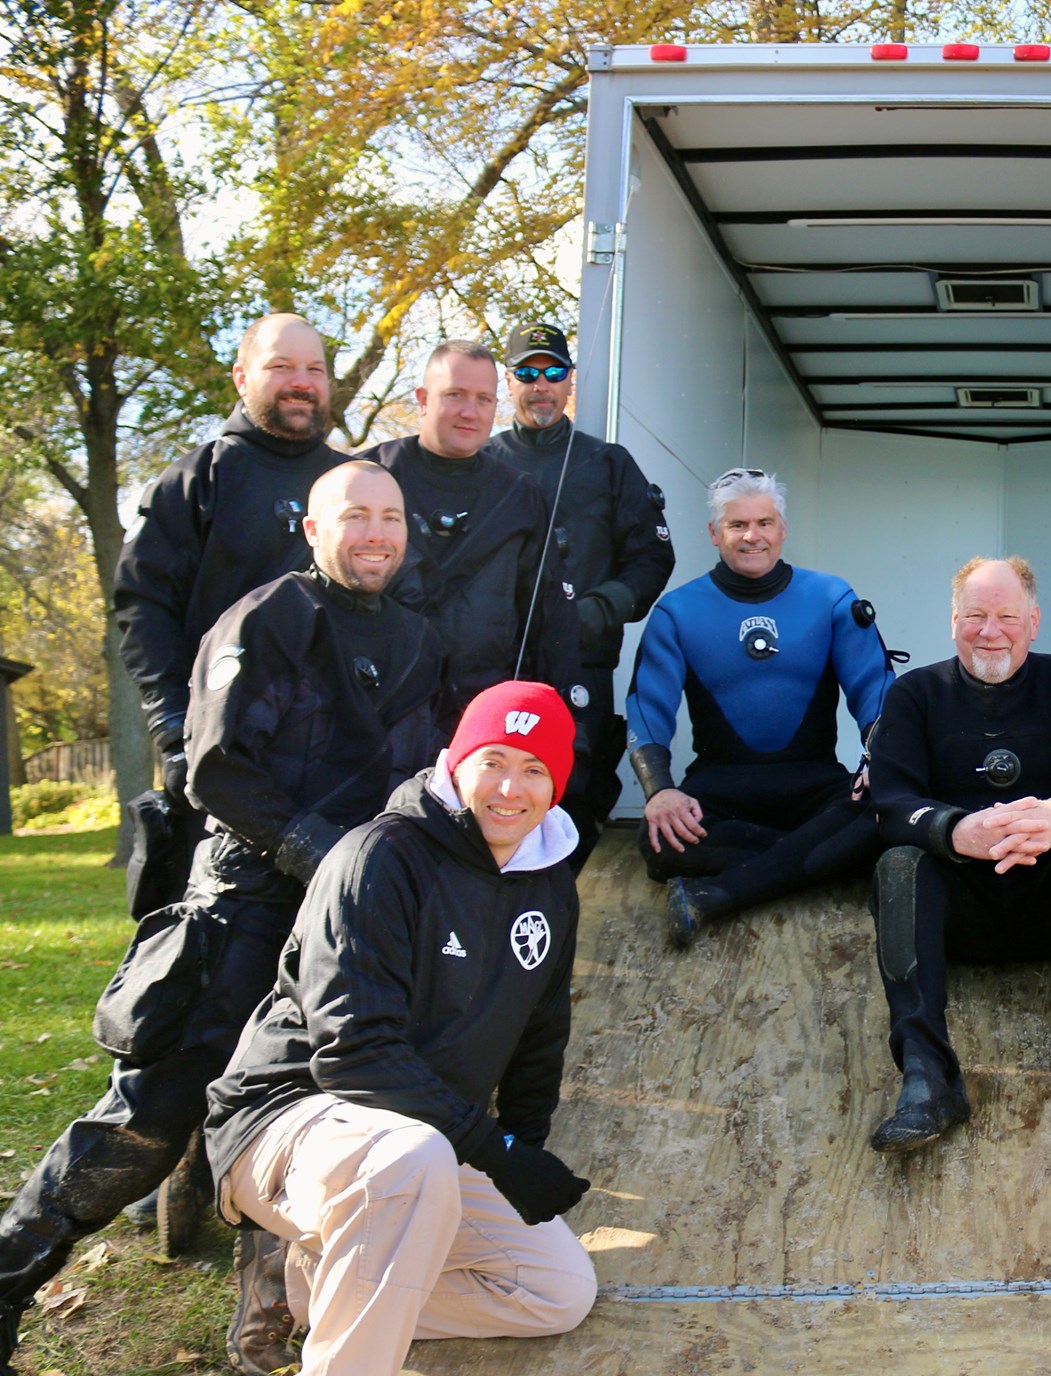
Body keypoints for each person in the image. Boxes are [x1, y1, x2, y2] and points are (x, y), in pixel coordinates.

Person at [0, 462, 446, 1376]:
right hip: (246, 904)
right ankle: (11, 1276)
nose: (375, 532)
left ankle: (268, 1314)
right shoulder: (265, 618)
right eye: (354, 515)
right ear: (313, 530)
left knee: (319, 1106)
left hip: (347, 920)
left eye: (390, 517)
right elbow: (216, 770)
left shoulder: (418, 638)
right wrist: (318, 849)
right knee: (153, 1113)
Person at [205, 682, 596, 1376]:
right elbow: (352, 1053)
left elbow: (541, 1038)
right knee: (407, 1161)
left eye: (534, 769)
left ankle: (312, 1284)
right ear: (456, 764)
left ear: (556, 783)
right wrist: (496, 1148)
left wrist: (522, 1152)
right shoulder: (379, 858)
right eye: (493, 761)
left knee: (556, 1289)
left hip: (420, 1147)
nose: (510, 788)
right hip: (287, 1124)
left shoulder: (549, 883)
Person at [863, 555, 1051, 1153]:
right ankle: (928, 1077)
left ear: (1033, 621)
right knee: (897, 863)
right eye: (975, 615)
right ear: (953, 621)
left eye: (1007, 615)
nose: (990, 630)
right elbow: (890, 801)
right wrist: (956, 830)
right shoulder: (913, 695)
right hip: (963, 911)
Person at [113, 313, 351, 914]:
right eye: (281, 366)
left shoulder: (357, 485)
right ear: (242, 377)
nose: (301, 382)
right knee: (219, 961)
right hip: (223, 761)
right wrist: (173, 734)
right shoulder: (192, 483)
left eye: (314, 370)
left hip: (339, 765)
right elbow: (144, 611)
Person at [626, 468, 896, 945]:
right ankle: (824, 862)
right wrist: (659, 790)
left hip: (813, 784)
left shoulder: (830, 598)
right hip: (720, 785)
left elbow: (874, 689)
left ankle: (715, 895)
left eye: (765, 523)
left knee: (882, 814)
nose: (753, 536)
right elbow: (649, 706)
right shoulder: (677, 611)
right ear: (714, 534)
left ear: (783, 529)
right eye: (737, 525)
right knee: (659, 843)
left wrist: (882, 761)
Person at [483, 322, 675, 871]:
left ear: (570, 382)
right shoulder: (481, 464)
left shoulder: (609, 463)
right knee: (492, 795)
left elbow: (653, 557)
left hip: (581, 667)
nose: (539, 384)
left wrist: (595, 612)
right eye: (526, 372)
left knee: (574, 793)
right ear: (509, 381)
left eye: (552, 372)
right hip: (493, 668)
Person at [366, 340, 582, 735]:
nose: (470, 411)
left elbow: (550, 618)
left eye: (484, 399)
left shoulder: (519, 494)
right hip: (376, 711)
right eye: (455, 395)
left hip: (481, 724)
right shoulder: (370, 476)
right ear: (423, 399)